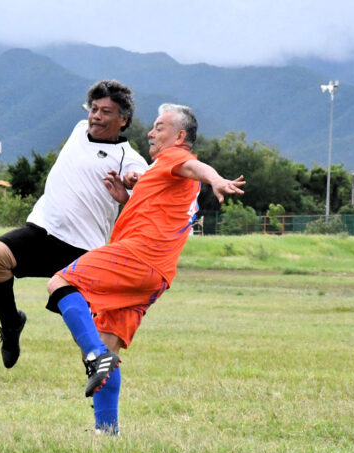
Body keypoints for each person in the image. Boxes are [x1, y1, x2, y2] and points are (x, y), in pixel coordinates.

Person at [45, 103, 246, 434]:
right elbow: (158, 211)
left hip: (138, 258)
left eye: (159, 127)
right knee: (108, 342)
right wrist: (127, 197)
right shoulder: (164, 175)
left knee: (61, 282)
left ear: (179, 136)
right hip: (156, 276)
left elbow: (195, 167)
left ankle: (95, 356)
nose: (151, 132)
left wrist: (216, 179)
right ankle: (106, 433)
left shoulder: (175, 159)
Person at [0, 80, 148, 368]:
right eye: (94, 109)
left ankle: (99, 382)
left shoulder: (130, 159)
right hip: (42, 231)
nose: (96, 116)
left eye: (106, 112)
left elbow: (141, 190)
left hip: (84, 251)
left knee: (87, 335)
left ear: (124, 120)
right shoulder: (78, 131)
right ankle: (10, 324)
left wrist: (131, 187)